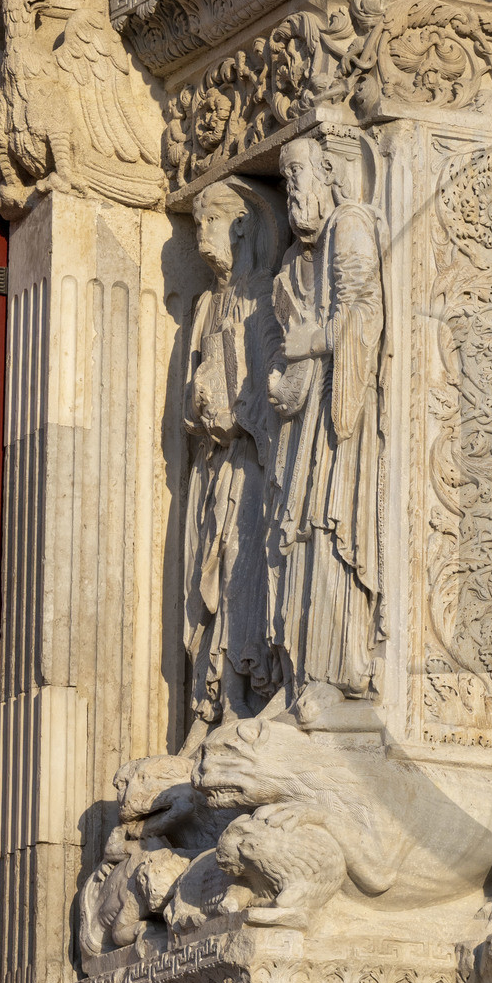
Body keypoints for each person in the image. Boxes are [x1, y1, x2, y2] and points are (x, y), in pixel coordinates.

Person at [267, 134, 387, 700]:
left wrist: (313, 341)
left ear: (330, 174)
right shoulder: (300, 257)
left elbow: (365, 313)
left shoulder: (351, 224)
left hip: (344, 415)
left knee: (330, 521)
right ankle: (307, 674)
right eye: (285, 181)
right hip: (313, 414)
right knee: (306, 529)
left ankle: (339, 670)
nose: (291, 192)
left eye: (298, 177)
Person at [183, 178, 287, 745]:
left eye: (210, 222)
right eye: (195, 222)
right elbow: (194, 386)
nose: (201, 237)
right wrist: (200, 406)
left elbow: (274, 382)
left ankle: (239, 697)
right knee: (210, 568)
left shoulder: (264, 295)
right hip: (215, 462)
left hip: (249, 463)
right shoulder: (205, 304)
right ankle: (207, 701)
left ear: (242, 226)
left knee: (239, 570)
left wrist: (238, 410)